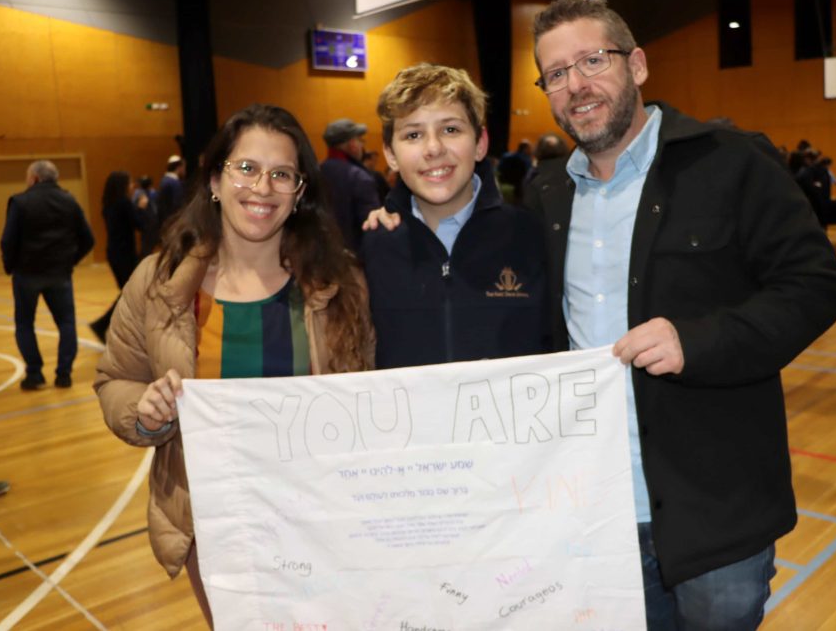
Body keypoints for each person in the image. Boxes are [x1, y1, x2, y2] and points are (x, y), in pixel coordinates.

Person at [523, 0, 836, 630]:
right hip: (595, 507)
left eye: (592, 60)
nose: (577, 85)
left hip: (715, 507)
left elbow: (815, 286)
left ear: (637, 65)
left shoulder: (731, 163)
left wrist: (697, 341)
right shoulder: (546, 193)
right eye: (556, 74)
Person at [95, 104, 375, 627]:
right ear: (216, 180)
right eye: (246, 168)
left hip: (320, 520)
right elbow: (115, 381)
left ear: (299, 193)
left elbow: (375, 397)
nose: (262, 187)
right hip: (214, 524)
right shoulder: (159, 284)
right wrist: (145, 409)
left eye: (281, 174)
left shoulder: (341, 286)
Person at [361, 63, 550, 368]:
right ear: (390, 155)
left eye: (451, 129)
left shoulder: (531, 237)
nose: (433, 148)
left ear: (480, 144)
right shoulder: (371, 247)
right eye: (413, 135)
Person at [0, 160, 94, 390]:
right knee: (66, 323)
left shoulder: (20, 202)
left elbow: (7, 241)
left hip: (27, 274)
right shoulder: (69, 201)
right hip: (60, 274)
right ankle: (64, 375)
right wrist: (69, 261)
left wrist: (10, 266)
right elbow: (89, 239)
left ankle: (34, 374)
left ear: (35, 178)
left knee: (24, 324)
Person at [90, 171, 143, 342]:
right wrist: (142, 207)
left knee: (129, 295)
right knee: (130, 294)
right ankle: (102, 325)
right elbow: (139, 224)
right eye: (130, 183)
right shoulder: (124, 203)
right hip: (125, 254)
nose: (132, 186)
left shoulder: (109, 204)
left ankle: (114, 329)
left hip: (114, 253)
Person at [321, 118, 382, 251]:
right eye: (361, 140)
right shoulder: (359, 177)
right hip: (355, 259)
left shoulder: (316, 172)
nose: (362, 146)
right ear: (353, 144)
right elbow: (372, 226)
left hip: (323, 257)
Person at [133, 175, 161, 256]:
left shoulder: (151, 193)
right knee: (146, 244)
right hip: (146, 221)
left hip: (151, 221)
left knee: (150, 243)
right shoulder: (140, 194)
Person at [156, 154, 186, 228]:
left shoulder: (164, 180)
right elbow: (178, 205)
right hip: (173, 222)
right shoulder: (174, 183)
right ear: (178, 167)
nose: (184, 170)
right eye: (183, 167)